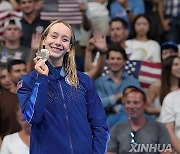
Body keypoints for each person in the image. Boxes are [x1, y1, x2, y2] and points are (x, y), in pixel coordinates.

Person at [17, 19, 109, 154]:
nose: (58, 42)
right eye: (54, 36)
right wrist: (42, 78)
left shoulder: (83, 81)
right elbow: (33, 117)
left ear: (70, 47)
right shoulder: (27, 82)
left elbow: (100, 126)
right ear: (43, 40)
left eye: (65, 39)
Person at [107, 86, 172, 154]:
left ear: (145, 105)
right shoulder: (117, 129)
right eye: (128, 102)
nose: (131, 106)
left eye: (136, 103)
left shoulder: (159, 128)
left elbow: (167, 152)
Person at [95, 42, 141, 127]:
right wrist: (117, 97)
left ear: (124, 62)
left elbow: (138, 105)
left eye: (118, 59)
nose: (115, 62)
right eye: (112, 58)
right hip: (105, 124)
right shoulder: (99, 82)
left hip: (128, 123)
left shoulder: (133, 82)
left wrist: (116, 108)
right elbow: (97, 105)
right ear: (107, 61)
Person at [146, 56, 180, 120]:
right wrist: (163, 110)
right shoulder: (157, 86)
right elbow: (145, 108)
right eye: (176, 65)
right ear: (168, 67)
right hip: (161, 124)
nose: (179, 67)